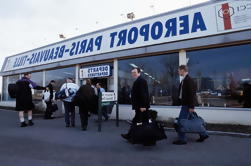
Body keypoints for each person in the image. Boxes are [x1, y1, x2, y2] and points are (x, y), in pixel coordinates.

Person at [173, 65, 209, 145]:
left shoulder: (188, 80)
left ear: (183, 70)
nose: (178, 72)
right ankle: (204, 134)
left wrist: (191, 106)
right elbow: (183, 93)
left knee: (181, 122)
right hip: (185, 104)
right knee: (193, 120)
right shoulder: (184, 80)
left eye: (179, 70)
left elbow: (192, 94)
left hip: (187, 105)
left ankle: (182, 139)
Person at [121, 68, 150, 142]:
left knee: (139, 122)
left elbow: (143, 94)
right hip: (139, 106)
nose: (133, 73)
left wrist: (143, 106)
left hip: (141, 106)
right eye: (132, 72)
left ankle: (133, 137)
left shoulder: (141, 81)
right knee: (139, 122)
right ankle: (132, 136)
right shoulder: (138, 80)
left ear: (139, 72)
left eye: (134, 72)